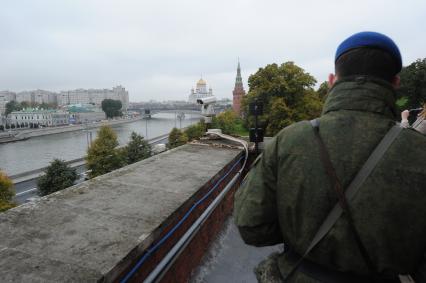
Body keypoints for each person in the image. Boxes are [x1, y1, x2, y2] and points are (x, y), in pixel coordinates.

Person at [234, 31, 426, 283]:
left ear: (332, 80)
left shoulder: (290, 139)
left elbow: (251, 226)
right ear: (395, 82)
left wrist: (300, 232)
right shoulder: (419, 152)